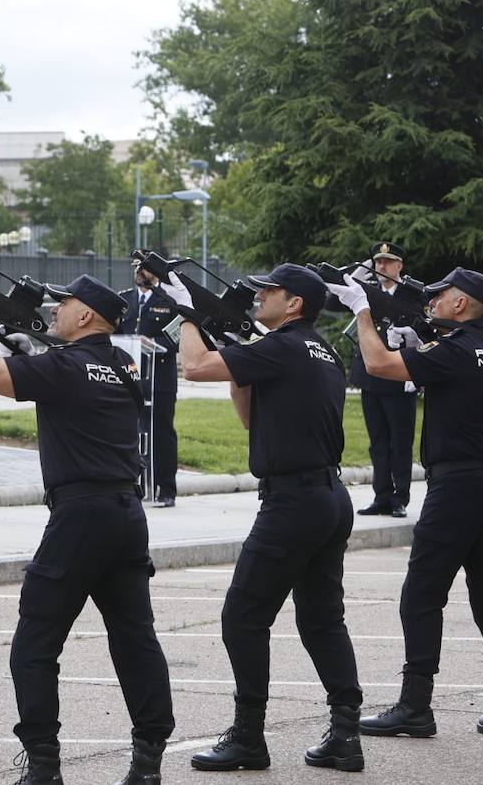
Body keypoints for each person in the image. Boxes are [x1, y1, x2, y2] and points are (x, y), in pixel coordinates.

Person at [0, 270, 174, 785]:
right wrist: (27, 350)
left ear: (85, 315)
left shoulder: (63, 366)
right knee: (135, 640)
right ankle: (148, 763)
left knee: (36, 642)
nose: (56, 308)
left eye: (65, 303)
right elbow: (70, 372)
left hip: (79, 516)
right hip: (127, 517)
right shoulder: (122, 364)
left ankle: (43, 766)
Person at [164, 264, 363, 773]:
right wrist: (239, 361)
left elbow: (194, 367)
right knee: (322, 619)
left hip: (293, 501)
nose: (257, 298)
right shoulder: (318, 350)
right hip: (326, 497)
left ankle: (249, 737)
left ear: (293, 303)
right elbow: (254, 416)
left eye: (267, 291)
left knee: (243, 617)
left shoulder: (283, 345)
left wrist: (189, 314)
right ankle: (345, 733)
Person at [333, 267, 483, 741]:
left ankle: (415, 706)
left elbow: (379, 365)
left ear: (461, 304)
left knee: (421, 593)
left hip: (459, 485)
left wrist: (362, 310)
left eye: (442, 295)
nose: (434, 300)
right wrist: (421, 338)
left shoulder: (455, 349)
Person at [351, 242, 418, 519]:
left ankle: (399, 497)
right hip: (371, 376)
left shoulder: (412, 293)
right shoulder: (366, 292)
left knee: (400, 441)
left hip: (398, 375)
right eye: (378, 262)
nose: (381, 267)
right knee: (377, 439)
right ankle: (381, 494)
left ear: (399, 265)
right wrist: (355, 276)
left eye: (388, 262)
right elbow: (331, 301)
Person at [117, 264, 179, 507]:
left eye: (145, 268)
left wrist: (151, 343)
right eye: (136, 268)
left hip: (160, 379)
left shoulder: (170, 300)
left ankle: (166, 489)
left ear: (156, 272)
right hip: (130, 378)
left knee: (162, 433)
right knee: (129, 431)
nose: (139, 272)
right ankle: (134, 485)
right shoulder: (124, 299)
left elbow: (178, 336)